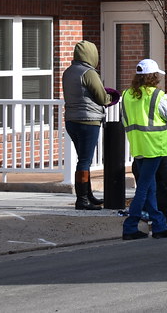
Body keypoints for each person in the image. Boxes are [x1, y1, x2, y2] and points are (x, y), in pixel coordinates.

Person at [121, 58, 167, 240]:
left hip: (137, 145)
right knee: (144, 188)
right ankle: (130, 226)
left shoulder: (126, 95)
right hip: (154, 146)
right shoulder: (157, 95)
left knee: (150, 187)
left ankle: (159, 224)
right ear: (154, 76)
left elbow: (125, 119)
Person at [62, 40, 112, 211]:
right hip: (88, 121)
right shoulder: (89, 73)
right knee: (85, 161)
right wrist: (111, 97)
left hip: (71, 120)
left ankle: (88, 194)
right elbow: (102, 97)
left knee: (83, 159)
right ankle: (82, 199)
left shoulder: (68, 72)